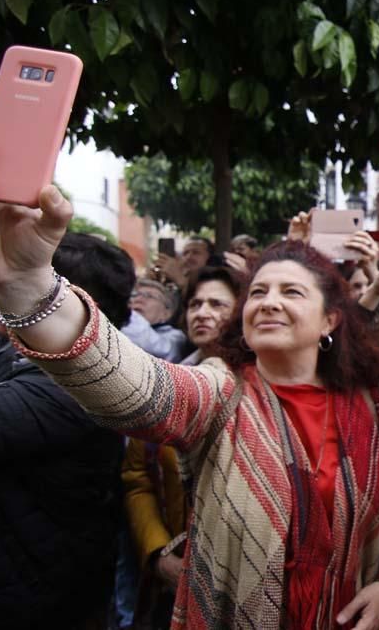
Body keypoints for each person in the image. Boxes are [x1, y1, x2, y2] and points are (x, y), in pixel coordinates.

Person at [0, 139, 379, 630]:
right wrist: (27, 286)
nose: (268, 302)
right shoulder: (220, 392)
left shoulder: (372, 404)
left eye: (291, 291)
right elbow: (135, 386)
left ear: (330, 320)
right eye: (258, 292)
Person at [0, 232, 130, 629]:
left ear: (64, 302)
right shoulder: (19, 359)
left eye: (20, 280)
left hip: (37, 600)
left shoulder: (81, 387)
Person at [122, 266, 243, 629]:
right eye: (195, 303)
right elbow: (138, 476)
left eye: (217, 304)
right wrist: (158, 553)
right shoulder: (165, 381)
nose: (202, 312)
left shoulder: (262, 386)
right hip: (176, 572)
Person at [121, 278, 189, 362]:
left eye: (149, 296)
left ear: (166, 313)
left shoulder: (176, 338)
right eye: (135, 295)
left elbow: (152, 348)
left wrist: (127, 313)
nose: (138, 299)